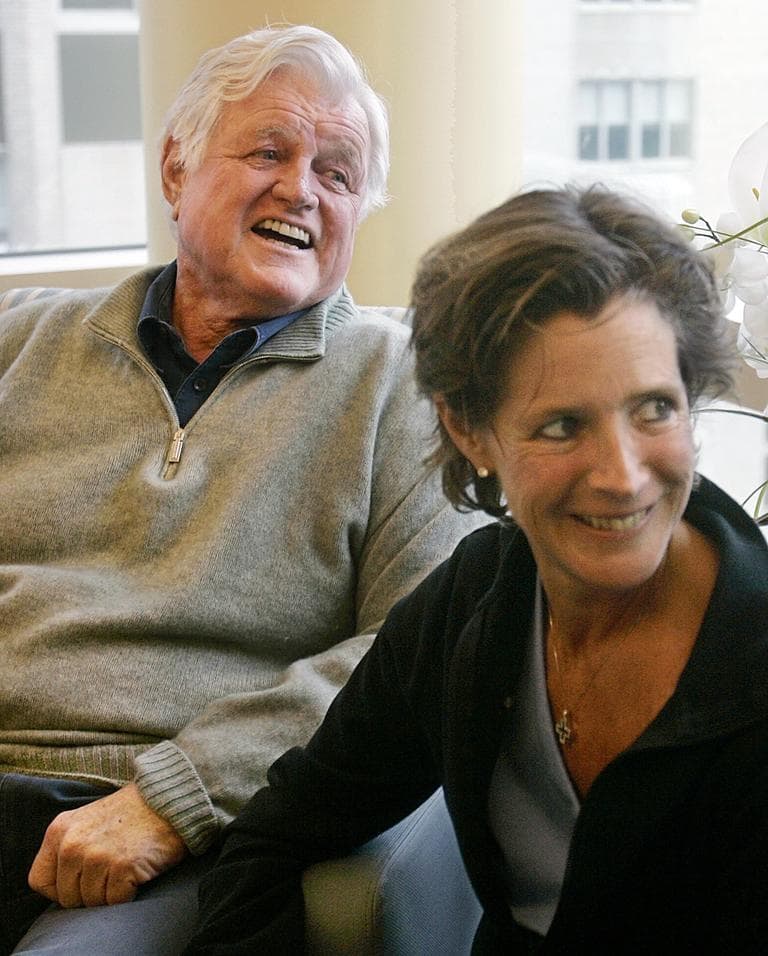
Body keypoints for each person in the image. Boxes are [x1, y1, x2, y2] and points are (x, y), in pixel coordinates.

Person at [0, 25, 485, 956]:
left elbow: (416, 652)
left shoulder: (403, 384)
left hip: (168, 822)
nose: (301, 187)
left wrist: (179, 793)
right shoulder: (25, 343)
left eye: (337, 174)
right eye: (269, 149)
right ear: (175, 169)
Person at [185, 184, 768, 954]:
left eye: (655, 409)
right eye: (563, 425)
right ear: (471, 432)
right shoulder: (474, 602)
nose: (624, 476)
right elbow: (275, 835)